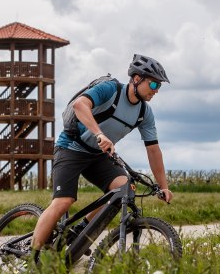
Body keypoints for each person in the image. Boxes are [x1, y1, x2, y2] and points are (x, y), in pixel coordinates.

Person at [31, 54, 174, 254]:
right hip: (71, 147)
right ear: (136, 79)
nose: (156, 90)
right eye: (153, 85)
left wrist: (163, 187)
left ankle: (81, 232)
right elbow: (80, 105)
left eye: (159, 87)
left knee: (123, 189)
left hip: (98, 156)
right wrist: (99, 134)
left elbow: (153, 150)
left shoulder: (144, 113)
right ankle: (31, 260)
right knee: (64, 201)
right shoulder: (111, 90)